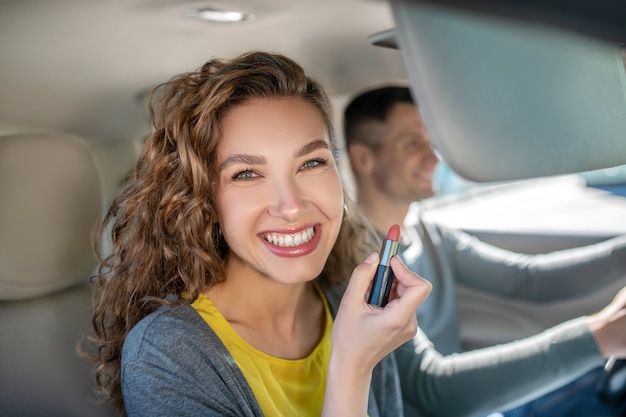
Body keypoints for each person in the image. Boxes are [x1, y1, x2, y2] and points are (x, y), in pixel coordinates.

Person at [81, 51, 626, 417]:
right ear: (203, 197)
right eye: (246, 174)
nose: (291, 205)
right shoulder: (170, 353)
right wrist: (351, 363)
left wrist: (602, 336)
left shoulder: (347, 288)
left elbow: (429, 391)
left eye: (311, 163)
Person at [343, 85, 626, 416]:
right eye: (412, 143)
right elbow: (429, 390)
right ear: (364, 158)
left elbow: (526, 281)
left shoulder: (425, 229)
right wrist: (598, 336)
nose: (434, 156)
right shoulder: (358, 267)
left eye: (431, 140)